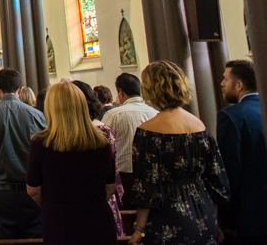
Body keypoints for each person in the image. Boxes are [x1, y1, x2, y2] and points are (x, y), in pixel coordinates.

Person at [130, 61, 230, 245]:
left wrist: (139, 229)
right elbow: (217, 180)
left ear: (150, 89)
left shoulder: (148, 132)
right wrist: (214, 220)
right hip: (203, 212)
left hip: (166, 217)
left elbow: (146, 187)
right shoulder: (199, 125)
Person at [26, 82, 117, 245]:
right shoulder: (102, 141)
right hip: (98, 219)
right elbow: (110, 187)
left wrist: (54, 204)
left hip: (59, 221)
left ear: (51, 108)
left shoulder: (41, 143)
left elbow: (33, 190)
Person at [0, 68, 47, 239]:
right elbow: (44, 157)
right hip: (32, 192)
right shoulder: (38, 115)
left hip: (1, 193)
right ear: (20, 89)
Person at [217, 59, 267, 243]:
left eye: (225, 79)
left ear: (239, 85)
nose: (222, 83)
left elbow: (229, 170)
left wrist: (225, 217)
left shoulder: (231, 116)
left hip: (250, 217)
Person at [72, 80, 124, 236]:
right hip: (101, 197)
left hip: (75, 200)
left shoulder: (59, 135)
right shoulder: (103, 130)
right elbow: (112, 168)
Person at [101, 72, 157, 208]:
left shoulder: (113, 115)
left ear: (121, 92)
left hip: (123, 178)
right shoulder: (154, 113)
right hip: (151, 177)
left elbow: (102, 145)